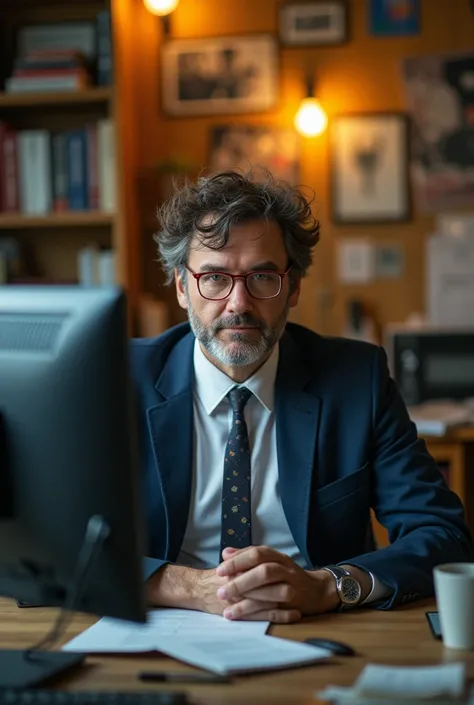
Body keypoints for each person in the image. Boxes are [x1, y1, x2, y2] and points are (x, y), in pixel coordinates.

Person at [132, 170, 472, 624]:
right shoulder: (119, 379)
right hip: (159, 629)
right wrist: (190, 587)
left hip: (320, 626)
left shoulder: (357, 381)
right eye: (214, 277)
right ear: (181, 287)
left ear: (293, 287)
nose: (238, 303)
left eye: (262, 277)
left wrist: (330, 586)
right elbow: (57, 541)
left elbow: (442, 532)